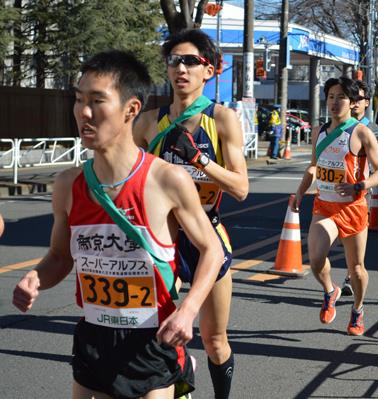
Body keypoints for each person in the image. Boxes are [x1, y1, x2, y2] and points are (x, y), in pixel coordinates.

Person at [12, 50, 224, 399]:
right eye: (79, 99)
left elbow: (211, 250)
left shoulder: (166, 180)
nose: (83, 112)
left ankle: (182, 373)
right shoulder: (68, 185)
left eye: (97, 100)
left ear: (131, 109)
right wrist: (36, 278)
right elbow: (59, 257)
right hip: (94, 336)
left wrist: (187, 312)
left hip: (153, 337)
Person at [134, 29, 248, 399]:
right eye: (173, 61)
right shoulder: (149, 122)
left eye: (190, 61)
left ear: (209, 70)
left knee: (215, 341)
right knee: (160, 330)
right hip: (163, 237)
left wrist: (199, 160)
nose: (180, 68)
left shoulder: (223, 119)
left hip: (206, 237)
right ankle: (177, 375)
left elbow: (241, 188)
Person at [294, 76, 378, 336]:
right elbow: (314, 166)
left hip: (353, 208)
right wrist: (300, 192)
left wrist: (359, 186)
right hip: (324, 206)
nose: (335, 102)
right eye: (331, 97)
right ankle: (330, 290)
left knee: (356, 269)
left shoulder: (360, 132)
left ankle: (357, 309)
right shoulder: (319, 131)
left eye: (341, 97)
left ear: (352, 102)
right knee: (314, 259)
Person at [340, 79, 378, 297]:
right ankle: (352, 271)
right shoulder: (340, 124)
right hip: (339, 191)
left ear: (366, 102)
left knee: (355, 235)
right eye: (351, 98)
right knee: (342, 237)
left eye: (358, 98)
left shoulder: (373, 129)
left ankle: (352, 275)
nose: (354, 103)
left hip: (363, 190)